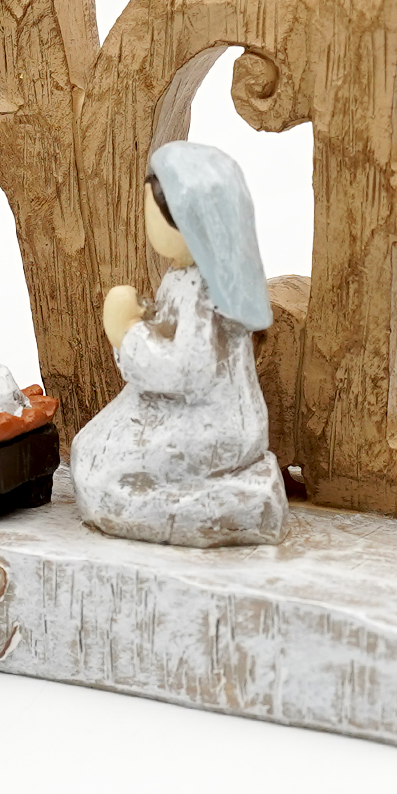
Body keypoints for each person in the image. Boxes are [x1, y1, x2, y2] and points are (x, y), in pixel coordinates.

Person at [70, 140, 290, 546]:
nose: (146, 222)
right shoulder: (182, 277)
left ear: (189, 221)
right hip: (178, 408)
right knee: (87, 451)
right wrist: (145, 318)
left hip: (211, 419)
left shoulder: (207, 293)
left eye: (151, 212)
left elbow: (187, 370)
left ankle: (246, 505)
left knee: (103, 477)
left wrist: (128, 334)